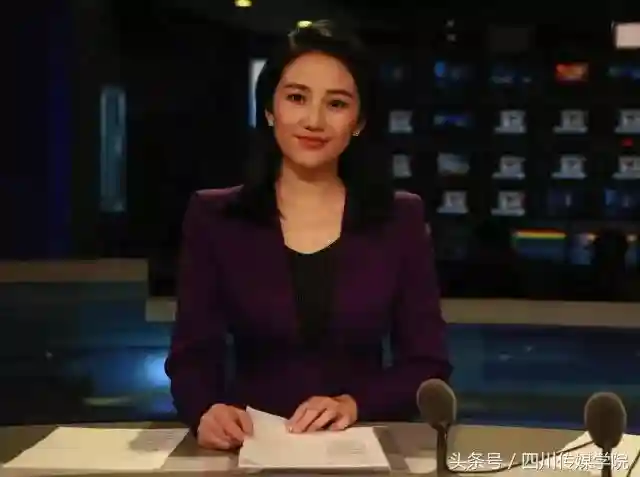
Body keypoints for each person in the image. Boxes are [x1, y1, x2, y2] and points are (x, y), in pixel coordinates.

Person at [165, 20, 451, 451]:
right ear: (269, 109)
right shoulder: (215, 216)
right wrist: (206, 409)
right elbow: (192, 355)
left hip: (357, 447)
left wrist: (355, 404)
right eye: (297, 98)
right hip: (247, 448)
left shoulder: (399, 219)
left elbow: (427, 363)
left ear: (359, 121)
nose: (313, 120)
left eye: (336, 104)